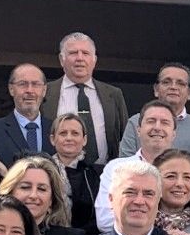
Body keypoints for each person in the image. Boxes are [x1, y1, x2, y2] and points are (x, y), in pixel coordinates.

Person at [42, 31, 129, 170]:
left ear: (94, 60)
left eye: (85, 53)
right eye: (73, 53)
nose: (80, 58)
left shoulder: (113, 95)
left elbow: (124, 136)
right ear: (61, 59)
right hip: (57, 174)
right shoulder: (45, 92)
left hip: (104, 174)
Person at [97, 101, 180, 233]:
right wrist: (162, 227)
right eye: (151, 121)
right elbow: (104, 220)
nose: (157, 127)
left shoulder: (185, 172)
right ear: (138, 130)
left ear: (174, 133)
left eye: (165, 122)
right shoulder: (116, 168)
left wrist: (135, 217)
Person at [117, 62, 190, 162]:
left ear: (189, 93)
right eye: (166, 82)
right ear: (156, 89)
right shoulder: (135, 122)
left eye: (180, 83)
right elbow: (125, 165)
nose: (173, 87)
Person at [0, 63, 53, 178]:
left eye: (35, 84)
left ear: (44, 90)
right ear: (11, 89)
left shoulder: (56, 130)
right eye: (23, 84)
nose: (29, 90)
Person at [48, 112, 102, 234]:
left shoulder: (96, 174)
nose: (69, 138)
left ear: (84, 140)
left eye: (75, 133)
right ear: (52, 139)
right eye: (63, 133)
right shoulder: (43, 172)